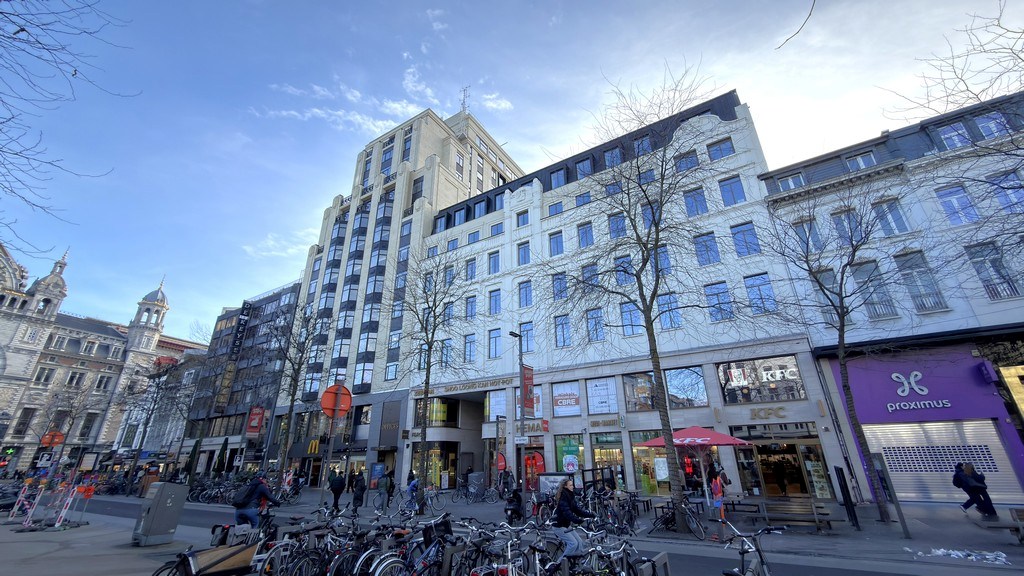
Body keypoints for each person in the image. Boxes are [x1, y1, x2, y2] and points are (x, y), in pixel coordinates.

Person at [546, 478, 595, 575]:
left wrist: (590, 515)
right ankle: (559, 565)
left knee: (580, 543)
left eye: (572, 485)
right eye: (570, 485)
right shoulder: (563, 497)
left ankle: (574, 564)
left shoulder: (570, 496)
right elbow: (567, 513)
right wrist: (577, 520)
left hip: (566, 525)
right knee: (573, 544)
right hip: (559, 526)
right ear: (565, 487)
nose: (572, 487)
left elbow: (577, 510)